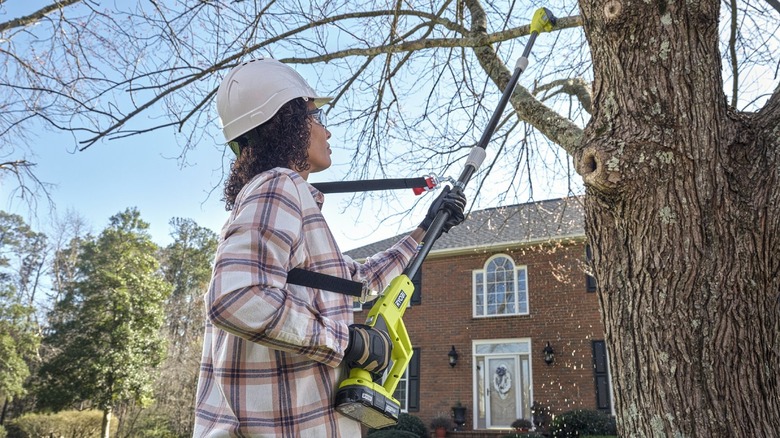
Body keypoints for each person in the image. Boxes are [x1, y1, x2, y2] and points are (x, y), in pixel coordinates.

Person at [193, 58, 467, 437]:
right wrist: (347, 342)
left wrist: (426, 229)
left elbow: (357, 282)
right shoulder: (278, 186)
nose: (328, 131)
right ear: (287, 122)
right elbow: (236, 298)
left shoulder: (281, 199)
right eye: (317, 115)